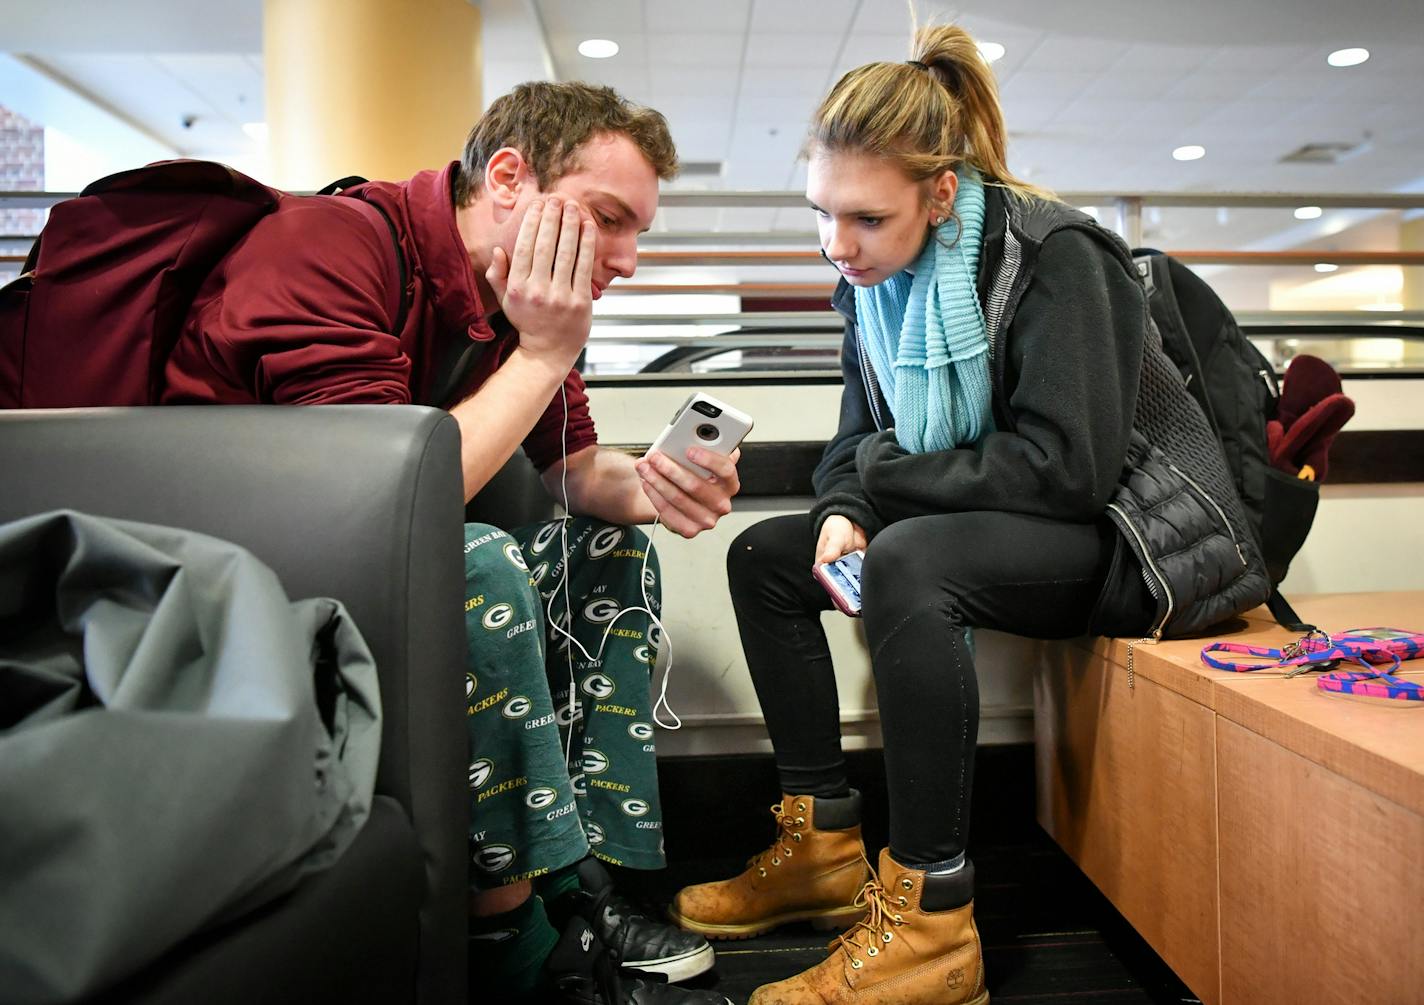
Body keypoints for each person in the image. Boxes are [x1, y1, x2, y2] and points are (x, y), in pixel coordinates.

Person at [669, 21, 1269, 1005]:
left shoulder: (1056, 255)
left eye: (863, 218)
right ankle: (819, 843)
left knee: (910, 563)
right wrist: (840, 509)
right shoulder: (870, 286)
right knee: (764, 557)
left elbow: (1063, 471)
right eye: (821, 213)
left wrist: (878, 485)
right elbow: (855, 441)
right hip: (1031, 514)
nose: (836, 243)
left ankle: (933, 924)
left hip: (1144, 541)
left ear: (939, 194)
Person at [161, 82, 741, 1005]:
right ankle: (521, 940)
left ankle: (591, 882)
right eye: (608, 219)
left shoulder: (519, 295)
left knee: (610, 551)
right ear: (508, 177)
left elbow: (573, 467)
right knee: (478, 559)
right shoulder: (328, 247)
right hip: (232, 569)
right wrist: (544, 352)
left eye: (638, 232)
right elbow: (385, 504)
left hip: (372, 549)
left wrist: (657, 484)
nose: (627, 259)